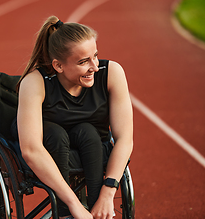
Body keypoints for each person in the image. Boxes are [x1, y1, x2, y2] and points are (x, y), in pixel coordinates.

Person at [13, 15, 133, 219]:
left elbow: (124, 139)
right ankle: (64, 212)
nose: (94, 67)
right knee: (56, 134)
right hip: (48, 146)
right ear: (58, 66)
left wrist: (108, 191)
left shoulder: (112, 72)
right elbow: (31, 150)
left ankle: (97, 209)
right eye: (83, 61)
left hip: (91, 144)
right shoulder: (35, 82)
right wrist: (73, 204)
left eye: (95, 56)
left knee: (88, 132)